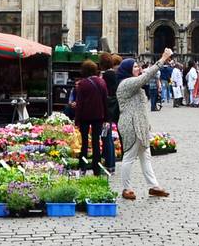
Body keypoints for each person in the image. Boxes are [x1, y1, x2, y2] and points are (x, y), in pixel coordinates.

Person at [115, 50, 171, 200]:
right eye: (134, 67)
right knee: (129, 157)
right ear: (127, 70)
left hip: (140, 124)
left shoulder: (132, 84)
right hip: (131, 125)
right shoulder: (126, 83)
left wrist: (147, 125)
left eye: (137, 66)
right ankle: (126, 188)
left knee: (145, 157)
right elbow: (146, 76)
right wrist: (163, 59)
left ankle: (154, 186)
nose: (138, 69)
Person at [70, 60, 108, 175]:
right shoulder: (102, 82)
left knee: (85, 144)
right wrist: (106, 117)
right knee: (96, 143)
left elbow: (79, 103)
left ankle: (83, 167)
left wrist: (77, 120)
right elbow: (105, 101)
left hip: (85, 117)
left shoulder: (83, 84)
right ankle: (96, 170)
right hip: (98, 117)